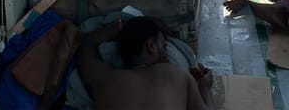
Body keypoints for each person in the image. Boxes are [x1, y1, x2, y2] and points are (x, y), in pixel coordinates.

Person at [77, 16, 214, 110]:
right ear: (151, 46)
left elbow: (87, 43)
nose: (167, 53)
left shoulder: (105, 80)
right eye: (164, 47)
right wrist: (205, 88)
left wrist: (123, 26)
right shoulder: (176, 74)